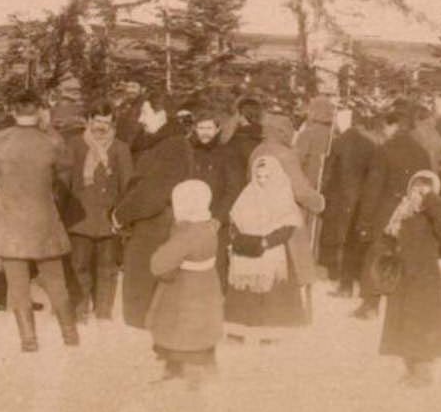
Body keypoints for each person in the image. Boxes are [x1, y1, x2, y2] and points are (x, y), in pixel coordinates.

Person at [0, 91, 79, 351]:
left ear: (13, 111)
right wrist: (51, 204)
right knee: (56, 281)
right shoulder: (51, 140)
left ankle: (29, 340)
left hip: (10, 222)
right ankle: (70, 336)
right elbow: (64, 179)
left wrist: (0, 208)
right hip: (44, 220)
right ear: (38, 112)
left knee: (18, 285)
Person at [113, 93, 193, 329]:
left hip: (155, 225)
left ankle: (144, 334)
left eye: (145, 113)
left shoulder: (173, 145)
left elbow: (152, 192)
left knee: (143, 282)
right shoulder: (165, 142)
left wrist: (121, 214)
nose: (140, 120)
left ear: (161, 114)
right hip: (151, 222)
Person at [351, 106, 431, 320]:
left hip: (386, 211)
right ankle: (403, 305)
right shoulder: (422, 152)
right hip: (414, 210)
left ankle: (370, 304)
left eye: (385, 126)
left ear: (393, 126)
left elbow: (373, 188)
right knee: (405, 255)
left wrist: (364, 221)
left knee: (376, 255)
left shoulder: (384, 151)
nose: (383, 131)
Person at [378, 171, 441, 387]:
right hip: (403, 274)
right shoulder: (403, 209)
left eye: (425, 188)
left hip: (424, 277)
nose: (418, 192)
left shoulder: (435, 211)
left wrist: (431, 202)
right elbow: (389, 236)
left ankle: (423, 372)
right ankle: (411, 369)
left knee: (422, 323)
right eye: (415, 186)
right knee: (402, 323)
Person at [249, 112, 326, 319]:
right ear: (282, 132)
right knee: (286, 266)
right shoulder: (285, 154)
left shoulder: (257, 150)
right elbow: (299, 190)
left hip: (258, 215)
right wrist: (318, 201)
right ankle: (283, 314)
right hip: (282, 217)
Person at [147, 180, 223, 388]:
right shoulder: (208, 226)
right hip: (206, 285)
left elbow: (160, 264)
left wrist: (160, 260)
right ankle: (204, 368)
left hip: (184, 289)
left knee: (180, 329)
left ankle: (185, 376)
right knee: (201, 328)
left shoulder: (187, 234)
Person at [64, 101, 133, 322]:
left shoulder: (120, 148)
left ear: (113, 124)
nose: (101, 127)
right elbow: (64, 182)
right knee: (78, 266)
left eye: (106, 122)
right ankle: (80, 310)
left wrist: (120, 215)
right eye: (97, 121)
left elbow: (127, 184)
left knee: (107, 269)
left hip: (107, 219)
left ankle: (103, 313)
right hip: (79, 218)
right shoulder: (75, 145)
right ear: (89, 121)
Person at [223, 156, 305, 342]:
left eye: (267, 177)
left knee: (273, 293)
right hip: (247, 248)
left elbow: (288, 227)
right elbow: (235, 220)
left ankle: (270, 332)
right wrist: (241, 239)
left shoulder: (283, 195)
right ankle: (239, 330)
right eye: (258, 176)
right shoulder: (247, 194)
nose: (261, 181)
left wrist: (267, 242)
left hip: (270, 248)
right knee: (243, 291)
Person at [320, 109, 378, 298]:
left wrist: (323, 195)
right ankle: (356, 280)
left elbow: (328, 174)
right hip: (361, 199)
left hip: (339, 199)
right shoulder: (370, 144)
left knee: (340, 239)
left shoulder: (337, 143)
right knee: (355, 241)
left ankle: (342, 282)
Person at [189, 110, 235, 293]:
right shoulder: (189, 151)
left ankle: (217, 303)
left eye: (209, 128)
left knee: (217, 264)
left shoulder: (226, 154)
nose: (204, 132)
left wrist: (219, 217)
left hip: (215, 220)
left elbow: (232, 189)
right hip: (191, 218)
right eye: (201, 128)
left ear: (217, 129)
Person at [293, 96, 336, 277]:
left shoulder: (308, 133)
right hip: (326, 186)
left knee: (306, 224)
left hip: (308, 185)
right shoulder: (334, 134)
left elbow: (296, 160)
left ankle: (305, 262)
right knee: (319, 225)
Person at [411, 104, 441, 174]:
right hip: (429, 171)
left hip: (428, 171)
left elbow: (434, 156)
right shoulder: (429, 133)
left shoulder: (420, 132)